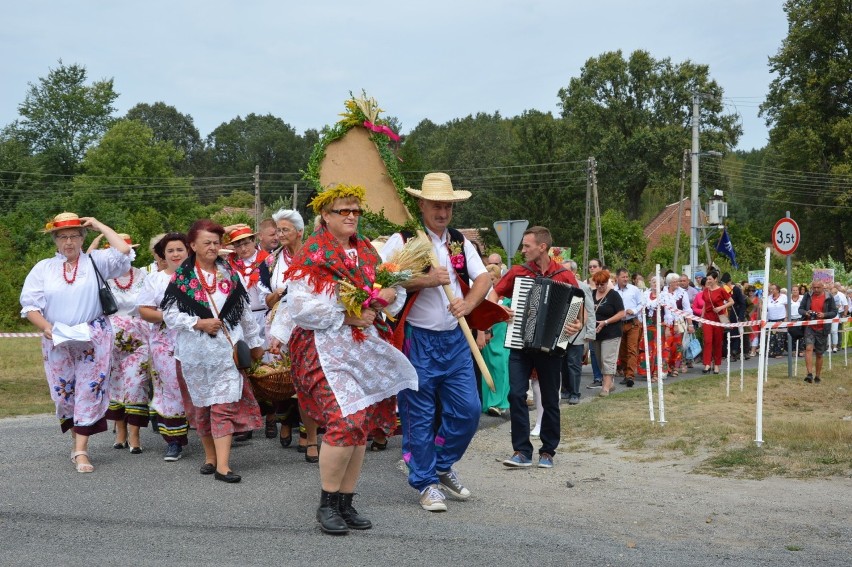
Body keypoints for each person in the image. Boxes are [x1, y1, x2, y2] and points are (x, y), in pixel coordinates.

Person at [276, 183, 418, 534]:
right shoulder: (313, 253)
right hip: (324, 349)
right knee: (343, 422)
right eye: (344, 211)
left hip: (364, 348)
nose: (352, 216)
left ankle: (346, 502)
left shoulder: (367, 251)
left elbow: (392, 293)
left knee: (360, 426)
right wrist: (346, 314)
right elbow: (301, 307)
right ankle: (326, 503)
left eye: (356, 211)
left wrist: (385, 296)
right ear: (325, 215)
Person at [380, 172, 491, 513]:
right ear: (421, 204)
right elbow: (383, 278)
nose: (442, 212)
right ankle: (426, 482)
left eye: (447, 206)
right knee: (419, 416)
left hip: (457, 339)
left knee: (469, 411)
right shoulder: (403, 240)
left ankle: (442, 464)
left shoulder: (458, 241)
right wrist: (426, 280)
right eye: (436, 205)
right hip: (418, 340)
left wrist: (468, 304)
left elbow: (484, 277)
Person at [20, 212, 133, 473]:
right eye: (62, 237)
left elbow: (124, 250)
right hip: (57, 338)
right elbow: (30, 306)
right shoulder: (44, 268)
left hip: (93, 336)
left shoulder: (97, 261)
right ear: (55, 240)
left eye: (73, 236)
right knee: (63, 394)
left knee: (89, 389)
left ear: (83, 238)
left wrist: (99, 225)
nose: (68, 241)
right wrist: (46, 328)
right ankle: (75, 436)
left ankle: (81, 449)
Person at [161, 219, 265, 483]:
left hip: (226, 354)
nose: (212, 247)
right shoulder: (182, 278)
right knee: (202, 408)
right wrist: (197, 322)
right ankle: (210, 457)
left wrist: (255, 344)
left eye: (216, 243)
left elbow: (243, 312)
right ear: (193, 245)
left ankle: (224, 466)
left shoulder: (230, 273)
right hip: (195, 355)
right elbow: (170, 315)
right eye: (206, 242)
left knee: (223, 406)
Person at [491, 227, 583, 469]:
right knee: (515, 394)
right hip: (520, 345)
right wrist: (500, 311)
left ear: (542, 247)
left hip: (550, 348)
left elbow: (579, 311)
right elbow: (494, 294)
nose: (522, 250)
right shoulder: (518, 272)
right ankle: (521, 451)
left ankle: (548, 451)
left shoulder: (564, 275)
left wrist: (576, 325)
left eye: (527, 246)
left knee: (551, 398)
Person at [262, 209, 319, 457]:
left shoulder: (314, 255)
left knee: (309, 380)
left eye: (285, 230)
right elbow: (266, 298)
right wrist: (277, 296)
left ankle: (309, 435)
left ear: (299, 231)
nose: (280, 234)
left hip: (307, 323)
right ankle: (286, 422)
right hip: (279, 322)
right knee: (283, 377)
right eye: (278, 230)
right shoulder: (271, 260)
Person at [90, 233, 150, 454]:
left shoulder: (144, 276)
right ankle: (120, 431)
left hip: (139, 340)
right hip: (111, 341)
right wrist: (95, 241)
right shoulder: (101, 277)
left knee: (136, 384)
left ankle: (135, 435)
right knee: (115, 386)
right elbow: (86, 261)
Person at [137, 232, 193, 462]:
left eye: (179, 249)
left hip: (196, 338)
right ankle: (173, 441)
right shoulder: (155, 279)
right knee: (170, 387)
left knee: (196, 384)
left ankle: (213, 434)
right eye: (170, 250)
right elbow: (144, 310)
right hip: (164, 341)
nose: (175, 254)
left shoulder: (197, 277)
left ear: (188, 251)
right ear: (163, 255)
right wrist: (171, 317)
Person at [559, 260, 595, 404]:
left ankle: (575, 393)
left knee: (573, 364)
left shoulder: (583, 287)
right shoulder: (559, 284)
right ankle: (566, 389)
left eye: (566, 270)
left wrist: (590, 333)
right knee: (562, 364)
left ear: (574, 272)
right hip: (561, 333)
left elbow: (590, 311)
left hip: (577, 333)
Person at [479, 264, 510, 416]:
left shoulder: (507, 296)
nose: (491, 282)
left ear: (499, 278)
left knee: (501, 368)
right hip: (488, 335)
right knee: (487, 368)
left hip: (503, 337)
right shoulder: (483, 294)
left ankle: (499, 402)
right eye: (488, 279)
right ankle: (487, 403)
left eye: (493, 279)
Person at [590, 269, 625, 396]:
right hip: (595, 333)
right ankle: (610, 383)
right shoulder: (591, 294)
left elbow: (622, 313)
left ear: (607, 282)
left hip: (611, 332)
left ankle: (605, 387)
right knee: (599, 360)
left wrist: (605, 322)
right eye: (597, 284)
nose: (600, 286)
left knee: (607, 359)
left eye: (602, 284)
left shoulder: (613, 295)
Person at [798, 281, 837, 384]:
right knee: (809, 348)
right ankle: (809, 374)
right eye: (814, 287)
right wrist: (806, 312)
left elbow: (834, 312)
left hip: (823, 328)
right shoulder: (808, 295)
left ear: (822, 287)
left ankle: (818, 376)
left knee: (819, 354)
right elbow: (800, 309)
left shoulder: (829, 297)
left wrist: (824, 315)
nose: (815, 290)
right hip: (809, 326)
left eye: (818, 288)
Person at [699, 270, 733, 374]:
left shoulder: (721, 290)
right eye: (707, 279)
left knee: (717, 341)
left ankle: (717, 364)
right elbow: (705, 305)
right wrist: (701, 317)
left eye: (710, 279)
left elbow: (731, 302)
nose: (708, 281)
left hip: (718, 318)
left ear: (715, 279)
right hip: (707, 318)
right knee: (708, 340)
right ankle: (707, 364)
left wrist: (721, 307)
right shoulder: (706, 290)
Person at [614, 268, 643, 387]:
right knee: (622, 351)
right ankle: (626, 373)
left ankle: (630, 376)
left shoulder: (634, 289)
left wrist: (634, 310)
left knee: (632, 349)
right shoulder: (613, 290)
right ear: (617, 278)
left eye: (627, 277)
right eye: (623, 277)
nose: (626, 279)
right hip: (619, 324)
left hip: (632, 323)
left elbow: (642, 303)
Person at [585, 258, 606, 389]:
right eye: (590, 267)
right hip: (591, 323)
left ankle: (607, 377)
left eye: (594, 266)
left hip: (605, 323)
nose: (592, 269)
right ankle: (597, 377)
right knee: (593, 351)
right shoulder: (585, 284)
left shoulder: (606, 284)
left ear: (600, 267)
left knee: (604, 352)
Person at [766, 283, 788, 358]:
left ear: (778, 290)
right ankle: (771, 352)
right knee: (771, 336)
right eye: (771, 289)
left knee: (779, 337)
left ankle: (779, 352)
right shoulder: (768, 298)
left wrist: (786, 317)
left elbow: (787, 307)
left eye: (773, 289)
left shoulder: (783, 297)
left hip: (780, 318)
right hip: (771, 319)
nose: (772, 290)